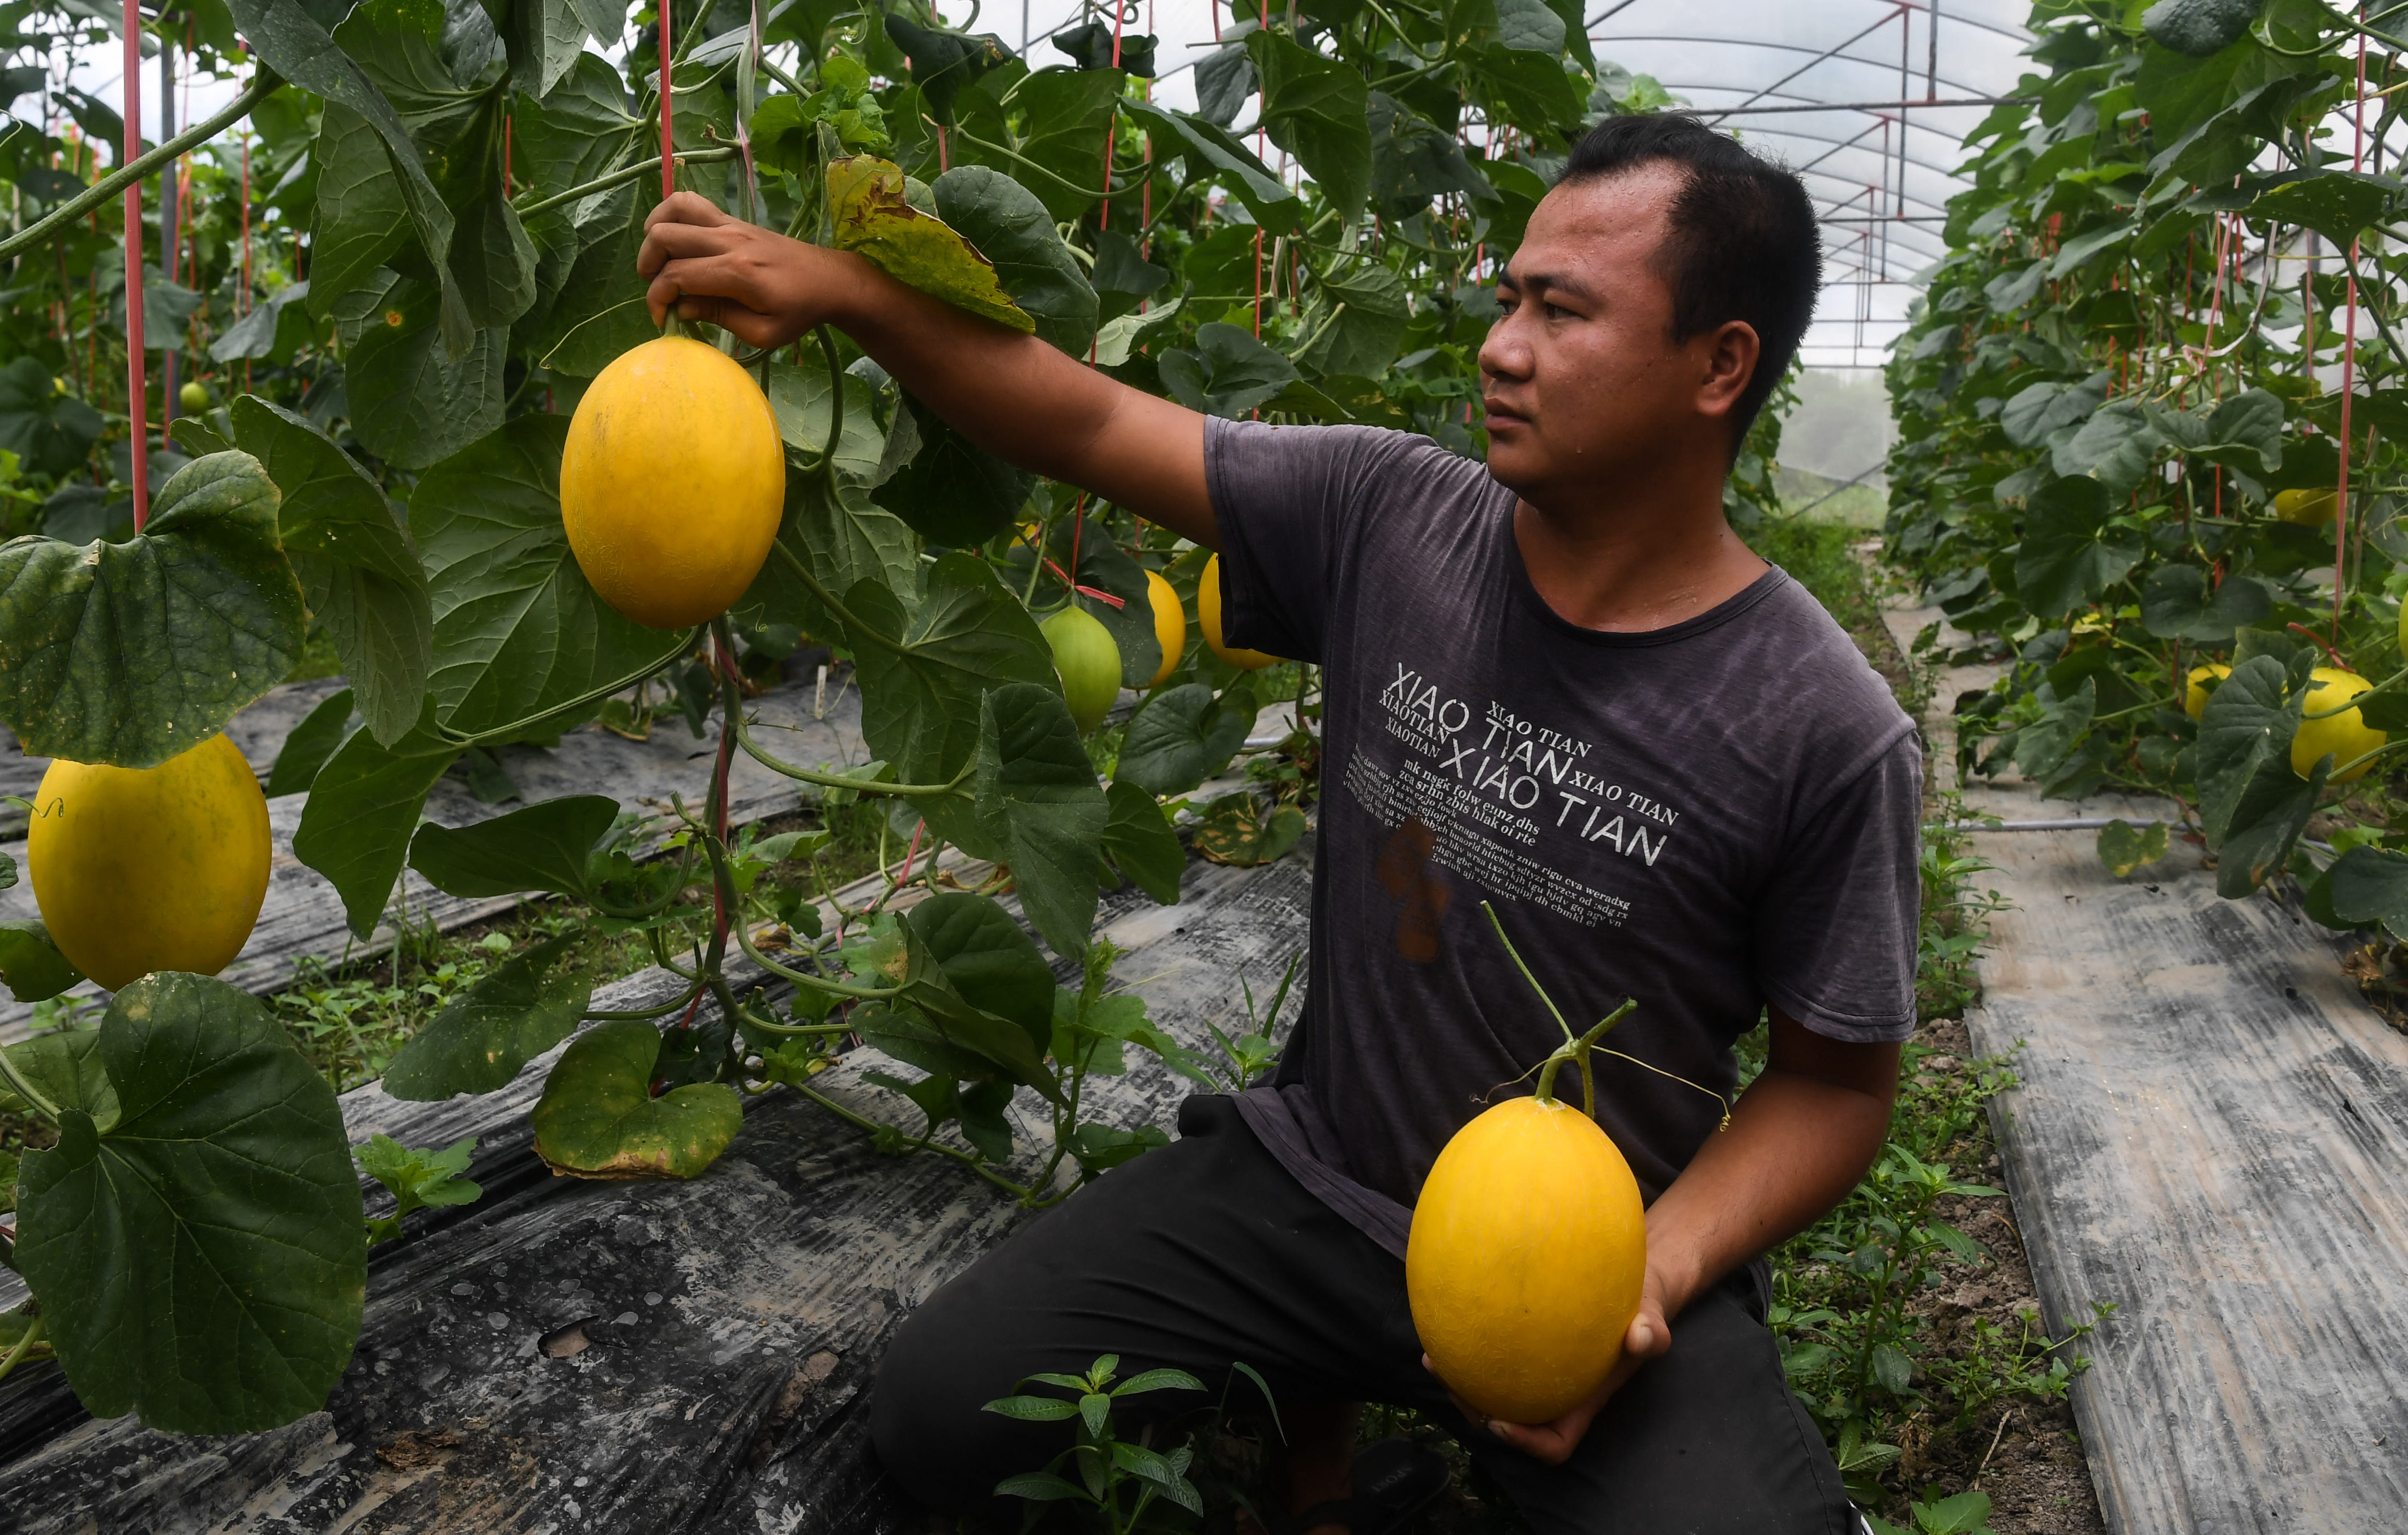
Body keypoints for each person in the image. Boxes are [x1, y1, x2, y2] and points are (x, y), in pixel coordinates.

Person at [638, 112, 1917, 1533]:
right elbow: (1083, 419)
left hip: (1587, 1263)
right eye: (1507, 296)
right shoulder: (1389, 517)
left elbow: (1837, 1086)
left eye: (1564, 310)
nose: (1503, 344)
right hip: (1317, 1190)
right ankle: (1327, 1458)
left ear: (1718, 365)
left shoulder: (1824, 721)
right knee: (949, 1411)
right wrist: (853, 293)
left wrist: (1656, 1269)